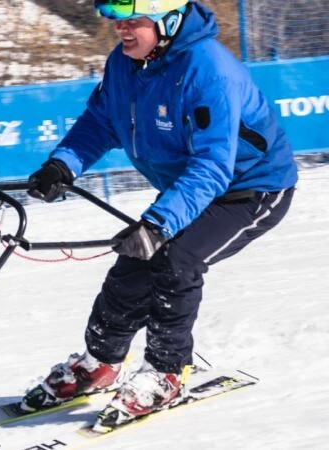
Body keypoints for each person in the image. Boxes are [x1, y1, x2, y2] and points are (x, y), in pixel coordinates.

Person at [22, 0, 298, 430]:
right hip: (191, 188)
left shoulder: (208, 70)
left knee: (176, 261)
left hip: (250, 190)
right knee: (133, 261)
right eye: (118, 21)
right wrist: (63, 165)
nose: (122, 30)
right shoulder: (125, 64)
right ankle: (101, 362)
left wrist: (158, 223)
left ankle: (166, 371)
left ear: (168, 21)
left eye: (134, 22)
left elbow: (212, 166)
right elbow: (101, 122)